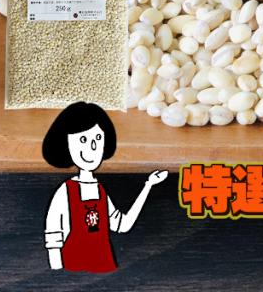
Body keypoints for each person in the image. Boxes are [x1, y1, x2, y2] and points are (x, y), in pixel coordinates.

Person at [42, 102, 168, 273]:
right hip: (73, 264)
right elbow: (53, 234)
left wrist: (148, 185)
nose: (92, 147)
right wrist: (57, 270)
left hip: (104, 263)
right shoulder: (65, 191)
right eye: (83, 140)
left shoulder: (101, 190)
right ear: (66, 144)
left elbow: (122, 225)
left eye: (98, 139)